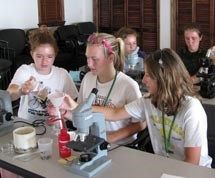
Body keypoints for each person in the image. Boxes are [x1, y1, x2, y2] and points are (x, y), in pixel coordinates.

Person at [60, 48, 212, 167]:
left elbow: (192, 163)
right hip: (164, 165)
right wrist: (76, 107)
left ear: (164, 79)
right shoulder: (148, 102)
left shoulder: (191, 110)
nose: (144, 80)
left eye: (149, 75)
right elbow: (113, 113)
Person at [50, 32, 146, 145]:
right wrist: (64, 111)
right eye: (87, 58)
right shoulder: (88, 78)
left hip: (120, 146)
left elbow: (140, 124)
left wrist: (110, 137)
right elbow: (82, 114)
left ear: (111, 58)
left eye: (95, 59)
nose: (89, 64)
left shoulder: (128, 86)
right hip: (93, 141)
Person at [7, 26, 78, 121]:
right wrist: (21, 90)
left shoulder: (62, 74)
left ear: (55, 55)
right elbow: (9, 95)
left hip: (55, 127)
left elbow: (75, 105)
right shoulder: (25, 70)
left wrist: (63, 112)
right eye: (39, 56)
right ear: (32, 54)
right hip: (28, 126)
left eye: (49, 56)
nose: (44, 62)